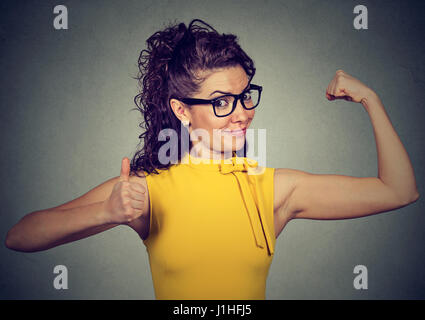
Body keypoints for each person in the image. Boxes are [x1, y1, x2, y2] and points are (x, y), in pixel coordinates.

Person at [5, 19, 419, 300]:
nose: (241, 113)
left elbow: (398, 191)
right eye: (221, 102)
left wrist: (371, 100)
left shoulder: (273, 189)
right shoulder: (148, 189)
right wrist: (107, 212)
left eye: (245, 96)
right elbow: (20, 236)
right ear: (182, 111)